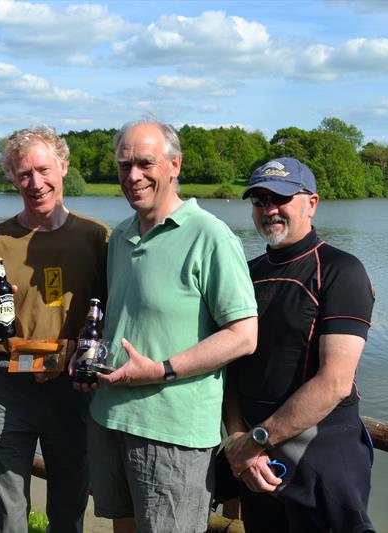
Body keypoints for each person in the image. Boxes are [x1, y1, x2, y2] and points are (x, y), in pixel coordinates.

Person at [81, 120, 258, 533]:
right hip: (110, 419)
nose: (133, 176)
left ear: (175, 165)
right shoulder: (122, 236)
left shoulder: (211, 236)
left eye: (146, 163)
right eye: (124, 165)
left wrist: (161, 368)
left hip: (172, 433)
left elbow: (244, 334)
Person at [223, 158, 376, 533]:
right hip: (260, 464)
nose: (269, 209)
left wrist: (255, 441)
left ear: (312, 203)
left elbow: (335, 382)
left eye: (282, 197)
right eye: (259, 200)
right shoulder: (247, 273)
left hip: (323, 455)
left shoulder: (342, 271)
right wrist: (239, 438)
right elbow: (231, 369)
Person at [0, 125, 109, 533]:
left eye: (44, 170)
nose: (36, 183)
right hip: (9, 383)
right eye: (24, 173)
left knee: (68, 506)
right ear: (12, 177)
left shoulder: (97, 237)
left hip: (73, 387)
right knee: (3, 509)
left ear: (63, 167)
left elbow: (113, 315)